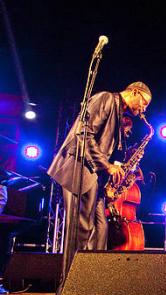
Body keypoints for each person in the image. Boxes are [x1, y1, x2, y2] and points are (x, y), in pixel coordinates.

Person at [48, 82, 151, 260]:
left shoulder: (119, 112)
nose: (143, 109)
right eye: (144, 103)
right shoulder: (106, 98)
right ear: (134, 92)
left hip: (94, 177)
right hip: (79, 171)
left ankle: (93, 275)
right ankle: (72, 283)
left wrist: (117, 169)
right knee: (81, 232)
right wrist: (107, 165)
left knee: (100, 229)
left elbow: (104, 147)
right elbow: (84, 134)